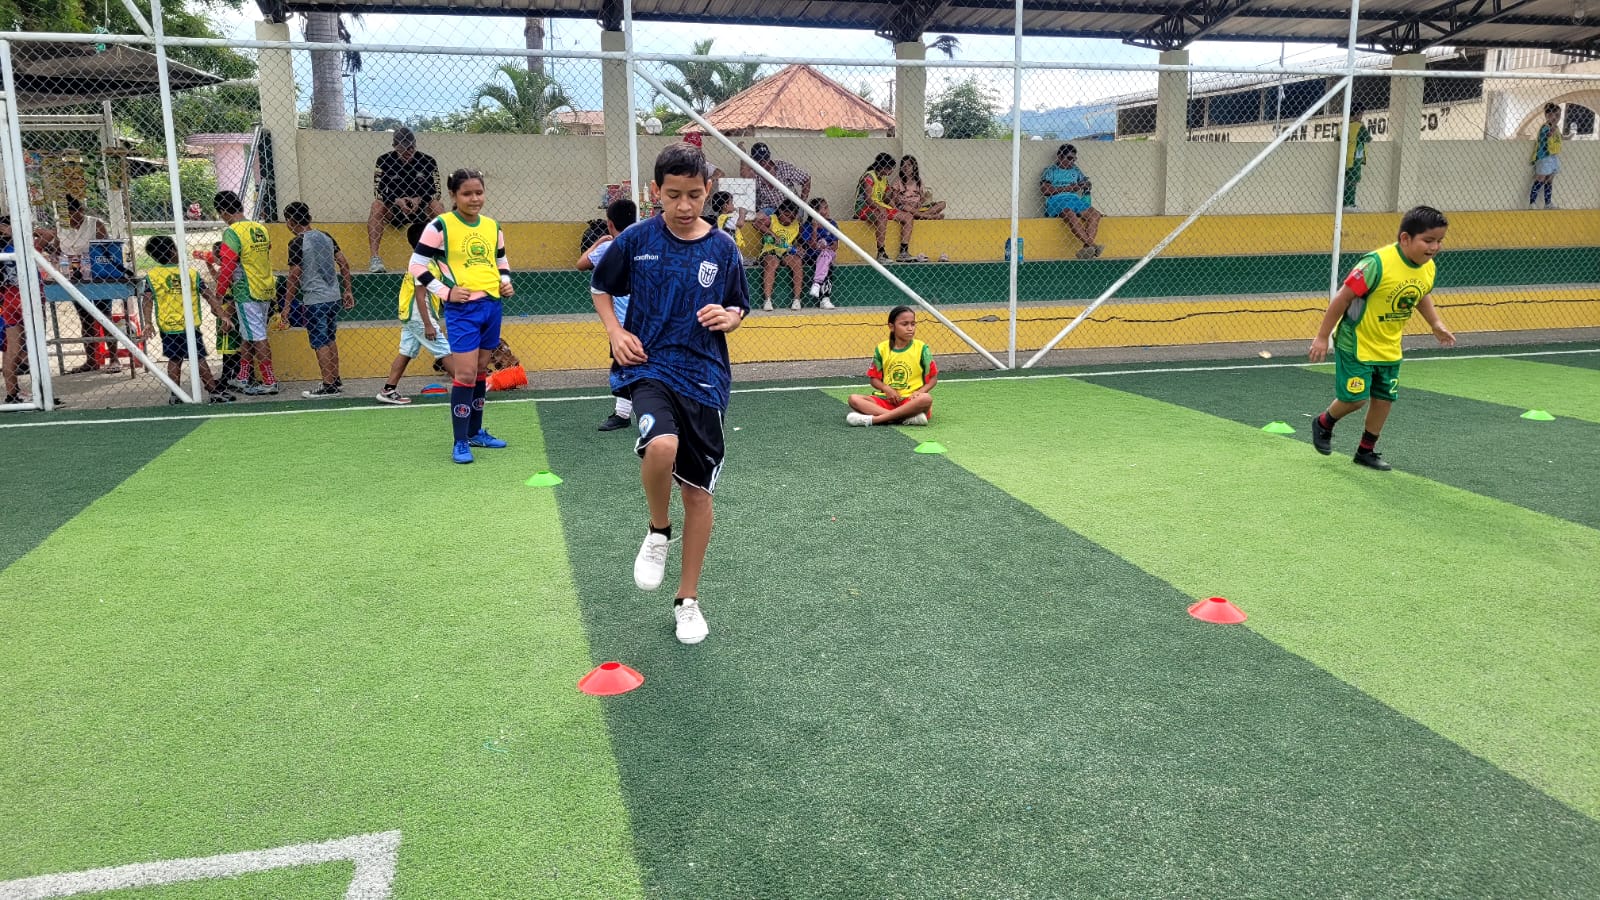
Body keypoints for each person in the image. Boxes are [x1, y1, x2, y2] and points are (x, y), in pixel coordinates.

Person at [590, 141, 749, 645]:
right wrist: (616, 331)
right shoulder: (636, 240)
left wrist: (729, 318)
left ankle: (688, 601)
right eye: (674, 195)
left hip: (705, 376)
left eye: (695, 195)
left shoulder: (723, 248)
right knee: (661, 446)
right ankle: (659, 530)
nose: (684, 205)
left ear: (708, 191)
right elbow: (600, 287)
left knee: (698, 494)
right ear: (655, 191)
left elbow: (738, 306)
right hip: (650, 367)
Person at [1308, 205, 1456, 470]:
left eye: (1439, 241)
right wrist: (1322, 337)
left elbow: (1421, 293)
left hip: (1389, 346)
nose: (1435, 247)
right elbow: (1342, 298)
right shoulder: (1375, 264)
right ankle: (1323, 422)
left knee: (1384, 399)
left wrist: (1435, 323)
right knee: (1355, 398)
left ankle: (1365, 451)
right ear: (1405, 238)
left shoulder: (1428, 267)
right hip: (1357, 343)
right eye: (1428, 240)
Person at [409, 168, 515, 463]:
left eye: (479, 192)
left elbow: (501, 261)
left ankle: (476, 432)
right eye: (467, 193)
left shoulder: (493, 226)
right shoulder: (440, 226)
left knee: (480, 370)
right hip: (463, 310)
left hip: (492, 306)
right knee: (465, 373)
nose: (474, 199)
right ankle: (460, 441)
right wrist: (446, 292)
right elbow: (416, 265)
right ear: (453, 195)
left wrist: (505, 281)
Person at [138, 235, 235, 405]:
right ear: (173, 251)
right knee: (199, 358)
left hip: (169, 327)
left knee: (174, 359)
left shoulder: (152, 276)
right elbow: (209, 296)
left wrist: (148, 322)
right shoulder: (190, 273)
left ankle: (175, 394)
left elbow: (147, 300)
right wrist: (222, 314)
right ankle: (213, 391)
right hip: (189, 325)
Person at [281, 201, 355, 398]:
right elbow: (344, 263)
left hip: (315, 298)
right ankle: (335, 379)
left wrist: (287, 305)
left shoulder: (297, 242)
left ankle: (328, 385)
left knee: (319, 340)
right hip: (333, 296)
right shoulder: (326, 236)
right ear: (309, 218)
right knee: (330, 338)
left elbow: (294, 275)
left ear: (290, 221)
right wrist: (348, 290)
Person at [577, 198, 639, 431]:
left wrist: (598, 242)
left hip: (621, 323)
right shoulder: (645, 244)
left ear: (610, 224)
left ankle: (623, 414)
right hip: (649, 318)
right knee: (638, 365)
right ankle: (628, 413)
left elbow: (580, 264)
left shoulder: (608, 247)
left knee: (623, 366)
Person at [214, 190, 279, 395]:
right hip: (265, 286)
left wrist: (219, 293)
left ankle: (269, 381)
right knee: (248, 333)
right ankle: (242, 376)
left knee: (257, 335)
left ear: (223, 211)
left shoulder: (232, 232)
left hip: (246, 290)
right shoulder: (260, 228)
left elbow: (228, 265)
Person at [377, 223, 447, 405]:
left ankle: (388, 390)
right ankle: (471, 390)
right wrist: (428, 324)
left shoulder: (426, 261)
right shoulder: (423, 263)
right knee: (446, 352)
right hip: (419, 317)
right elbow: (420, 295)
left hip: (412, 316)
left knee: (406, 352)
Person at [368, 127, 444, 273]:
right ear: (395, 147)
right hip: (394, 209)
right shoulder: (384, 161)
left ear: (415, 145)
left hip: (421, 208)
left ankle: (445, 255)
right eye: (403, 150)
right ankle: (375, 258)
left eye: (411, 148)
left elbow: (437, 192)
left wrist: (419, 199)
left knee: (437, 206)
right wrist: (397, 200)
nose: (408, 152)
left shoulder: (427, 161)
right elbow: (378, 192)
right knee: (376, 205)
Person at [845, 305, 936, 426]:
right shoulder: (882, 348)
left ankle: (873, 420)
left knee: (926, 399)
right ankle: (904, 418)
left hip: (911, 400)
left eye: (913, 324)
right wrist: (887, 389)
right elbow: (874, 379)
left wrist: (920, 392)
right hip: (887, 400)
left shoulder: (922, 348)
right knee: (853, 399)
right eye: (904, 324)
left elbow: (933, 378)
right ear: (891, 327)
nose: (910, 328)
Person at [58, 198, 116, 373]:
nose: (70, 219)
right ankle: (91, 360)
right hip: (73, 275)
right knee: (84, 318)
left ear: (81, 210)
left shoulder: (95, 224)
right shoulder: (61, 227)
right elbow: (55, 247)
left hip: (97, 275)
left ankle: (113, 359)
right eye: (66, 215)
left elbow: (106, 249)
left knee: (104, 315)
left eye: (73, 214)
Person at [1040, 143, 1103, 259]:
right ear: (1059, 156)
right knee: (1069, 214)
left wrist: (1085, 184)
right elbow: (1045, 190)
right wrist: (1067, 188)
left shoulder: (1076, 170)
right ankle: (1093, 245)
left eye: (1074, 159)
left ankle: (1087, 247)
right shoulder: (1050, 171)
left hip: (1074, 199)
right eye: (1069, 158)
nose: (1072, 162)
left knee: (1095, 214)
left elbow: (1086, 183)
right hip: (1057, 200)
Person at [855, 152, 916, 263]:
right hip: (864, 207)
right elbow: (868, 199)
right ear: (882, 167)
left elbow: (886, 198)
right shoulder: (869, 177)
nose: (892, 171)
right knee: (882, 216)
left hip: (880, 206)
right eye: (890, 168)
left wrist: (894, 203)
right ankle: (881, 253)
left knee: (908, 217)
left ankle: (903, 252)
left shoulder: (884, 179)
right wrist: (880, 208)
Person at [748, 141, 810, 236]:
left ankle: (792, 240)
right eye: (759, 160)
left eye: (765, 158)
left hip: (790, 207)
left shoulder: (782, 166)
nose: (763, 162)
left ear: (769, 156)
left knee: (795, 228)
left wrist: (802, 204)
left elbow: (806, 179)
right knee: (756, 219)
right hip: (770, 209)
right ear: (753, 160)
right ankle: (774, 237)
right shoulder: (753, 174)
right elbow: (747, 192)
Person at [759, 200, 806, 312]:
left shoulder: (796, 224)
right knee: (772, 262)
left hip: (786, 251)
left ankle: (797, 300)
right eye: (787, 216)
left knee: (797, 262)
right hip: (770, 250)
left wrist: (800, 247)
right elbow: (757, 224)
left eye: (793, 217)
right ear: (780, 212)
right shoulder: (772, 219)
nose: (790, 220)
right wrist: (773, 235)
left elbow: (800, 241)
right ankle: (768, 300)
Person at [801, 198, 839, 308]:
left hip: (828, 254)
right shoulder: (807, 226)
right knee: (825, 260)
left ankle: (821, 290)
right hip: (812, 255)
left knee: (826, 259)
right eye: (825, 208)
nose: (828, 210)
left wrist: (826, 248)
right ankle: (824, 297)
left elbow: (835, 246)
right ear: (815, 212)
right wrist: (814, 228)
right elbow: (812, 246)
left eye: (827, 207)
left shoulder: (832, 224)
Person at [890, 155, 946, 220]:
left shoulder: (918, 181)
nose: (906, 168)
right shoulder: (898, 182)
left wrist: (919, 203)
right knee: (906, 207)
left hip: (917, 207)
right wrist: (905, 202)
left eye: (909, 165)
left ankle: (922, 215)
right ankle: (928, 216)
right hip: (905, 207)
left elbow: (922, 197)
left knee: (942, 204)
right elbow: (894, 198)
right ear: (901, 168)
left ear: (914, 167)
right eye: (904, 166)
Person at [1529, 102, 1562, 209]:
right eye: (1554, 115)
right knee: (1541, 178)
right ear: (1547, 115)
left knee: (1550, 178)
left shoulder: (1556, 127)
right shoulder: (1546, 127)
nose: (1556, 118)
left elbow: (1559, 137)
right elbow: (1547, 135)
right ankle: (1532, 202)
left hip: (1553, 156)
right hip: (1544, 156)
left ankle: (1548, 203)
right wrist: (1551, 131)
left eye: (1558, 115)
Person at [1343, 104, 1371, 212]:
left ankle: (1346, 203)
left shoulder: (1343, 125)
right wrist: (1361, 125)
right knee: (1352, 182)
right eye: (1361, 114)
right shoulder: (1359, 127)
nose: (1361, 117)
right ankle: (1349, 204)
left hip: (1345, 157)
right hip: (1355, 158)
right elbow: (1368, 138)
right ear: (1357, 114)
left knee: (1346, 181)